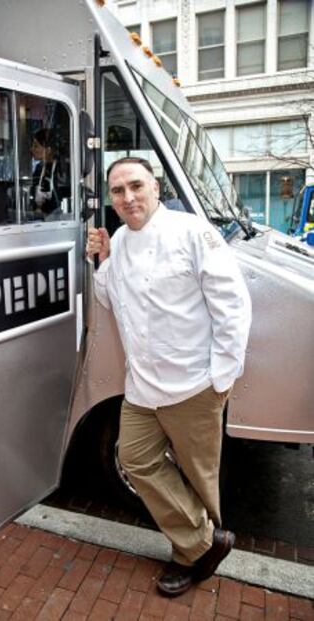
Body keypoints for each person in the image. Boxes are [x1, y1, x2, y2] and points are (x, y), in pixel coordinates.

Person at [86, 157, 252, 597]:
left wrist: (223, 376)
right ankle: (202, 543)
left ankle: (188, 554)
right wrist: (101, 260)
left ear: (155, 187)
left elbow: (232, 305)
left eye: (135, 186)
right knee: (137, 460)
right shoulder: (119, 240)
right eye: (118, 191)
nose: (127, 198)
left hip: (194, 383)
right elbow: (109, 299)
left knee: (200, 476)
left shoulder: (191, 232)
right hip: (141, 385)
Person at [30, 129, 70, 220]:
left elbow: (64, 198)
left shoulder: (62, 169)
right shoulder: (38, 169)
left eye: (36, 146)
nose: (32, 149)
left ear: (48, 150)